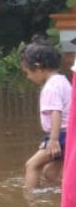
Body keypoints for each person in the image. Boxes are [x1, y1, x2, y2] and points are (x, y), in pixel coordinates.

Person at [20, 39, 71, 191]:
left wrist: (53, 140)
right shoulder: (62, 80)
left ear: (38, 67)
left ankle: (31, 202)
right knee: (51, 173)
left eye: (27, 72)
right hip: (69, 135)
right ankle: (66, 195)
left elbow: (56, 112)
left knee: (32, 165)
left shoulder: (50, 87)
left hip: (61, 136)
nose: (28, 77)